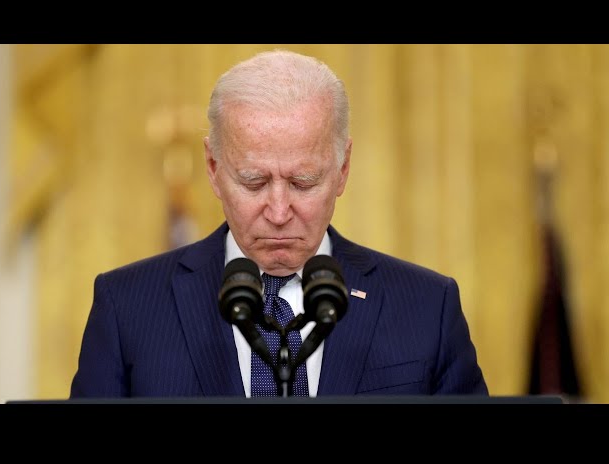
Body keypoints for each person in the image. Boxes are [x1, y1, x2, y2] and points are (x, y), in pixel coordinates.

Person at [70, 49, 488, 398]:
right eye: (253, 182)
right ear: (213, 168)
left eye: (303, 182)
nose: (278, 211)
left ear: (343, 169)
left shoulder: (427, 307)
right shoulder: (126, 307)